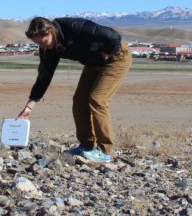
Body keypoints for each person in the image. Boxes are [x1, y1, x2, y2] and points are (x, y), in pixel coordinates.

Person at [17, 16, 132, 163]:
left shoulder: (74, 26)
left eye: (43, 42)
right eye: (38, 44)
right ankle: (86, 145)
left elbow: (113, 36)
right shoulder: (49, 49)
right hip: (93, 62)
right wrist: (29, 106)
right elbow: (44, 76)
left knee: (97, 99)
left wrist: (105, 52)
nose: (42, 46)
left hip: (116, 57)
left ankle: (105, 151)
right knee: (79, 100)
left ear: (51, 31)